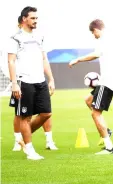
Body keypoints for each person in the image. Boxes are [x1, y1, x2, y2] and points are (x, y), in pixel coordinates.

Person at [69, 19, 113, 155]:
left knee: (95, 113)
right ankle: (106, 130)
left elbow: (94, 55)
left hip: (107, 82)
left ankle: (109, 147)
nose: (93, 36)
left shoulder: (103, 41)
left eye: (93, 32)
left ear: (97, 29)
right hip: (112, 82)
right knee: (88, 100)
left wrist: (78, 60)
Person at [8, 6, 55, 160]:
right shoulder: (15, 38)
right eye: (33, 18)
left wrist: (51, 79)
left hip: (40, 81)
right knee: (24, 117)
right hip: (24, 81)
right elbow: (11, 61)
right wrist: (14, 83)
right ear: (24, 19)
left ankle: (23, 137)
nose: (36, 21)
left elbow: (44, 59)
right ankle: (29, 150)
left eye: (36, 18)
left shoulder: (39, 37)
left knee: (46, 113)